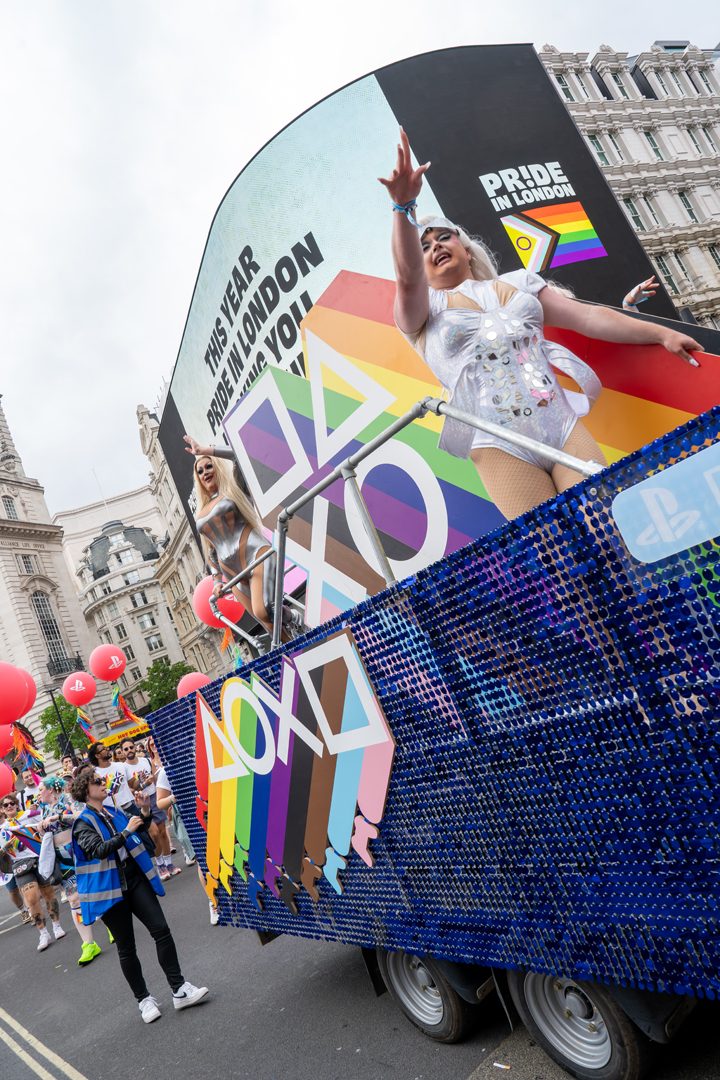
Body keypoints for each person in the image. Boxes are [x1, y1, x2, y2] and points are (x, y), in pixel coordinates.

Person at [379, 130, 701, 520]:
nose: (436, 248)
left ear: (465, 246)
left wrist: (662, 333)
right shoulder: (419, 312)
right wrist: (403, 207)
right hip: (497, 443)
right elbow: (408, 276)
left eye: (444, 237)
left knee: (612, 525)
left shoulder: (519, 282)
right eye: (424, 246)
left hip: (561, 424)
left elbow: (587, 317)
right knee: (559, 557)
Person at [70, 767, 209, 1024]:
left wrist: (144, 812)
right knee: (126, 948)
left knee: (161, 929)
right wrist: (126, 832)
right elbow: (99, 850)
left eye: (102, 780)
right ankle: (143, 999)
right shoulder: (82, 823)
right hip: (110, 889)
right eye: (97, 781)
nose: (104, 783)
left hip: (134, 880)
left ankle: (179, 989)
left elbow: (139, 834)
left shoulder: (113, 811)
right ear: (85, 791)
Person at [183, 434, 304, 639]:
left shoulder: (233, 490)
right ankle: (298, 656)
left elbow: (239, 456)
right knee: (268, 625)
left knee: (263, 609)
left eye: (208, 467)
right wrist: (216, 581)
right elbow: (211, 550)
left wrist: (204, 451)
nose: (205, 472)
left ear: (217, 468)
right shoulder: (201, 511)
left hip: (255, 553)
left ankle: (293, 617)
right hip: (231, 570)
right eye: (200, 471)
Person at [35, 776, 105, 966]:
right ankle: (89, 943)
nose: (38, 793)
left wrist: (57, 817)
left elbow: (79, 816)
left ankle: (112, 926)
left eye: (40, 789)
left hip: (79, 851)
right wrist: (41, 829)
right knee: (74, 899)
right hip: (61, 859)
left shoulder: (68, 799)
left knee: (95, 891)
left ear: (50, 789)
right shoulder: (43, 808)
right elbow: (47, 833)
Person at [0, 792, 66, 951]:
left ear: (16, 805)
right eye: (5, 805)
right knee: (31, 898)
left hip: (39, 857)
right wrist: (4, 848)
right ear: (2, 809)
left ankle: (56, 925)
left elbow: (46, 823)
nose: (9, 806)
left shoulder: (30, 815)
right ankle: (43, 932)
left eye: (12, 803)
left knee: (49, 894)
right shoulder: (3, 829)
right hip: (20, 864)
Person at [123, 738, 180, 880]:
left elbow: (157, 777)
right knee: (153, 833)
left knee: (162, 832)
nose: (129, 750)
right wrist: (142, 784)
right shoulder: (124, 768)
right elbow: (130, 787)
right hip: (141, 802)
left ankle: (169, 864)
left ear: (135, 747)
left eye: (131, 747)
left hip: (154, 796)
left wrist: (152, 779)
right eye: (126, 749)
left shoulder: (146, 761)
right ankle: (160, 864)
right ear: (123, 752)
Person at [86, 742, 135, 815]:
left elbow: (133, 784)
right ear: (97, 755)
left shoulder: (121, 765)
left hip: (130, 806)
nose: (107, 749)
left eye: (106, 747)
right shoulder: (94, 774)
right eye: (104, 749)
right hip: (112, 811)